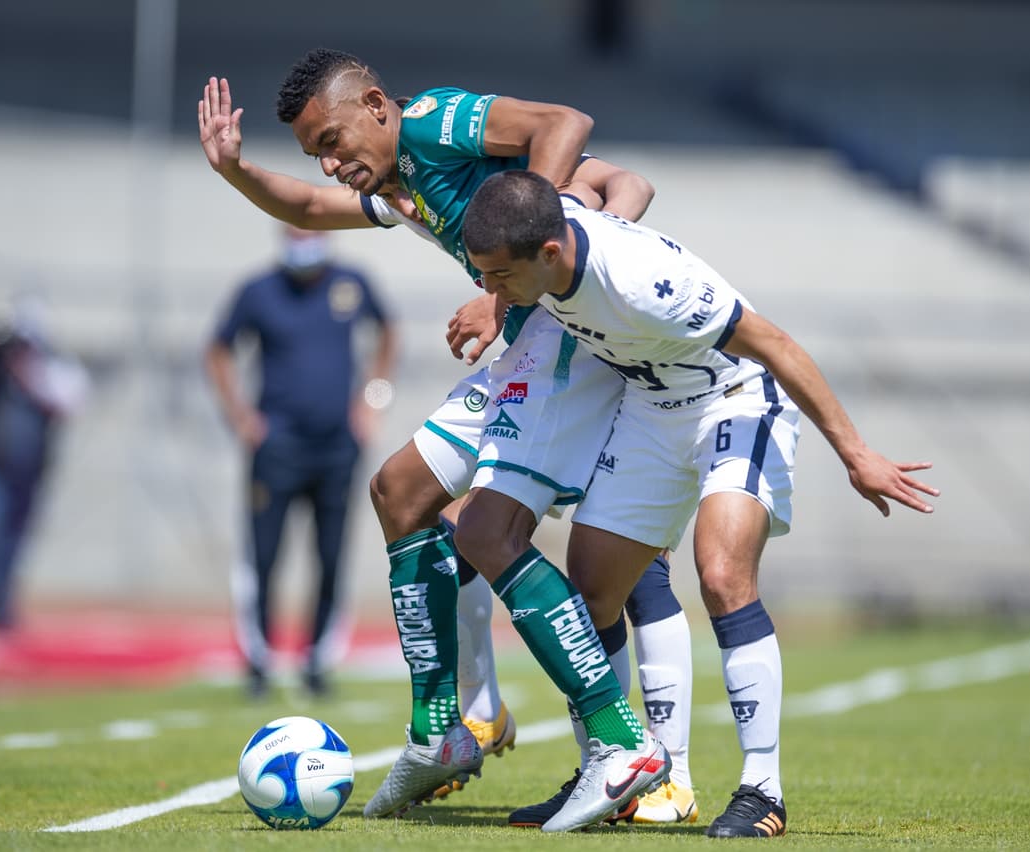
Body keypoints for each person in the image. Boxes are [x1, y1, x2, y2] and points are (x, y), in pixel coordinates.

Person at [198, 50, 689, 830]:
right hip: (531, 343)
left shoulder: (433, 123)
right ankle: (442, 732)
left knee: (489, 532)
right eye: (315, 154)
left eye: (333, 140)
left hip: (566, 338)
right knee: (400, 492)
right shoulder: (398, 182)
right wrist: (234, 171)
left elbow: (566, 127)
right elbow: (306, 210)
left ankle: (621, 743)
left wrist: (506, 285)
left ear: (375, 104)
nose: (330, 164)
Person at [461, 170, 940, 837]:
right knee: (592, 593)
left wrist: (855, 452)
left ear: (549, 253)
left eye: (497, 277)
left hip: (735, 397)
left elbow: (773, 343)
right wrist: (496, 300)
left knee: (720, 573)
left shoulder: (642, 283)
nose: (490, 289)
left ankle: (762, 792)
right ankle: (610, 768)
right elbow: (606, 188)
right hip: (653, 411)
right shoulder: (543, 242)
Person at [205, 224, 397, 698]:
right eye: (294, 231)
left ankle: (318, 660)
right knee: (264, 556)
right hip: (277, 447)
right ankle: (258, 661)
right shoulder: (258, 291)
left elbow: (388, 332)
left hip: (337, 446)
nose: (304, 241)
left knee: (330, 555)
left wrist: (371, 402)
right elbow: (218, 350)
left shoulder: (352, 283)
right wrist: (242, 417)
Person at [0, 300, 88, 630]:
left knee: (13, 543)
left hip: (30, 471)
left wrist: (29, 371)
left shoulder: (47, 371)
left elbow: (70, 399)